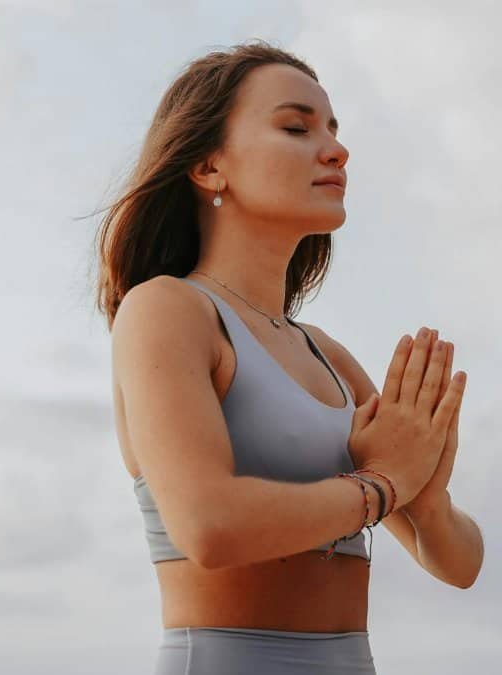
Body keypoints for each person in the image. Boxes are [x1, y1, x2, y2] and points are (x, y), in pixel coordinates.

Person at [91, 40, 481, 674]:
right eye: (296, 127)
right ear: (209, 167)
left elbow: (460, 566)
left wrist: (427, 495)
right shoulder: (167, 310)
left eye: (332, 129)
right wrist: (385, 485)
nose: (335, 148)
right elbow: (209, 527)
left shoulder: (327, 357)